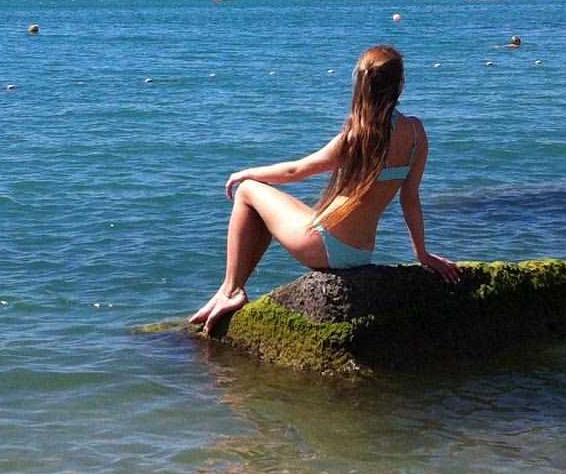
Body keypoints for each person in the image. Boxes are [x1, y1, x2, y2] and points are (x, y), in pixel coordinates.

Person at [189, 44, 460, 333]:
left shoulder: (358, 135)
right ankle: (233, 288)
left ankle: (231, 290)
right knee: (266, 209)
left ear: (362, 84)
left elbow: (297, 170)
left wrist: (246, 173)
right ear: (400, 84)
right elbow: (410, 200)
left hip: (325, 246)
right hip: (360, 252)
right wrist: (422, 254)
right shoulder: (416, 133)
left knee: (248, 191)